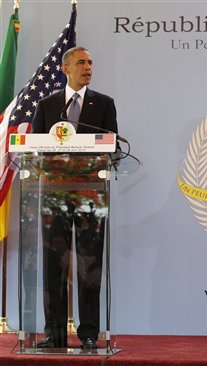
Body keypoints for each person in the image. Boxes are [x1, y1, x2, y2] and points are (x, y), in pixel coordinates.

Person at [32, 46, 118, 349]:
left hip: (91, 195)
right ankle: (54, 334)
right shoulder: (46, 105)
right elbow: (35, 148)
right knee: (53, 265)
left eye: (91, 62)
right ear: (65, 68)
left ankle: (90, 334)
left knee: (89, 265)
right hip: (54, 195)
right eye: (81, 62)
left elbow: (114, 147)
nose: (88, 67)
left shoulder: (104, 104)